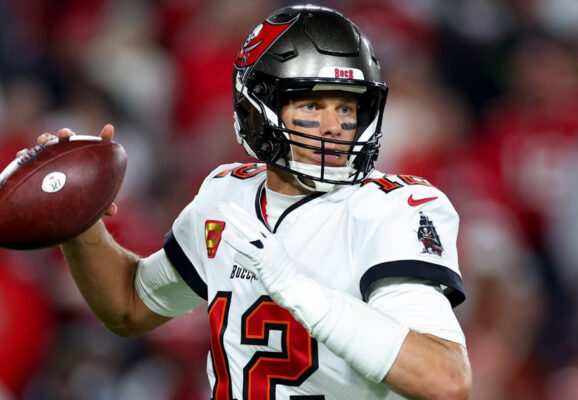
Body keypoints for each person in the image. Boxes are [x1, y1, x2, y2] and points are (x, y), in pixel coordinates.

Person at [34, 5, 471, 399]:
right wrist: (80, 217)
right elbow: (129, 307)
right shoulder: (227, 197)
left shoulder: (391, 209)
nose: (335, 125)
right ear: (257, 108)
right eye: (312, 105)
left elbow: (446, 380)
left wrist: (307, 297)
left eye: (347, 107)